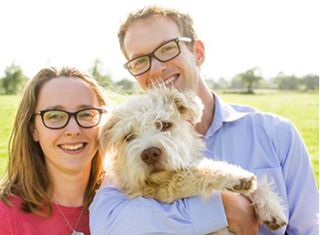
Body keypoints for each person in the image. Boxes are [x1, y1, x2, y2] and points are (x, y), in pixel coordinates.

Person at [89, 5, 319, 235]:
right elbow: (107, 225)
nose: (157, 68)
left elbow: (309, 229)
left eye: (168, 49)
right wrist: (222, 208)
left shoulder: (276, 134)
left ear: (198, 52)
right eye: (139, 61)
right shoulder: (127, 152)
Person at [0, 67, 107, 234]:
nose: (74, 129)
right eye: (55, 116)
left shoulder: (126, 205)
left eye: (86, 114)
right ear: (33, 130)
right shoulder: (4, 215)